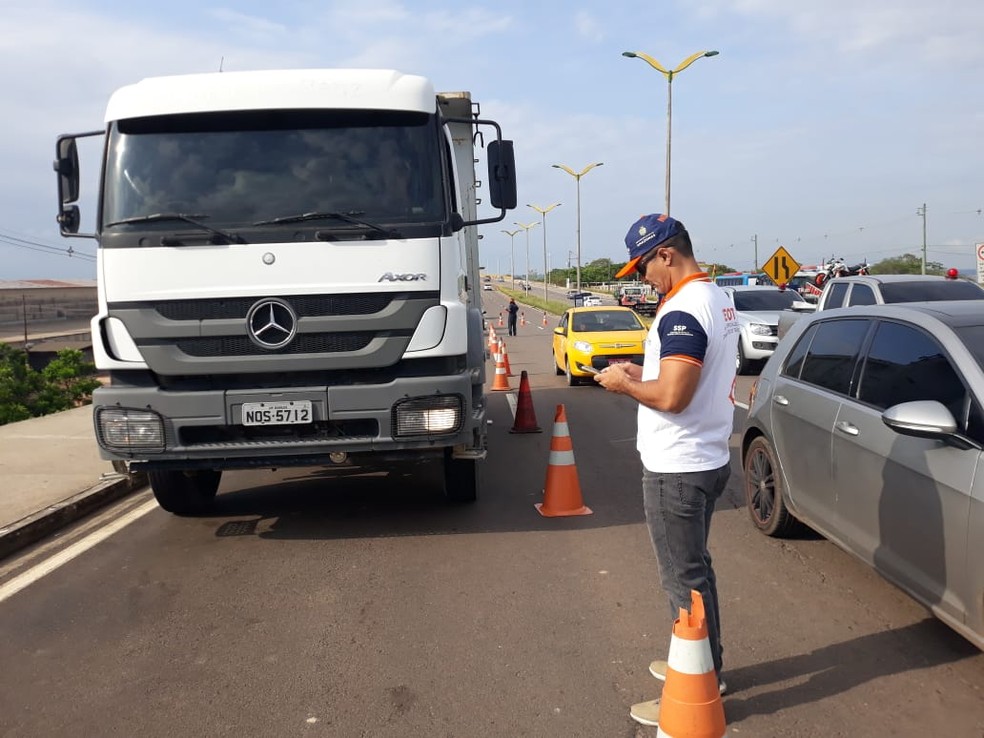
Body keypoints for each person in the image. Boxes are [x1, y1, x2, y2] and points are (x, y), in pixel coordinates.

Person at [594, 213, 739, 728]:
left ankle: (696, 687)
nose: (641, 279)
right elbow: (685, 376)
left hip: (678, 465)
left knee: (682, 579)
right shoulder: (717, 298)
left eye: (643, 267)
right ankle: (706, 664)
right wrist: (644, 372)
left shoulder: (682, 311)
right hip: (707, 456)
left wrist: (623, 384)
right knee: (696, 569)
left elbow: (674, 397)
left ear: (667, 255)